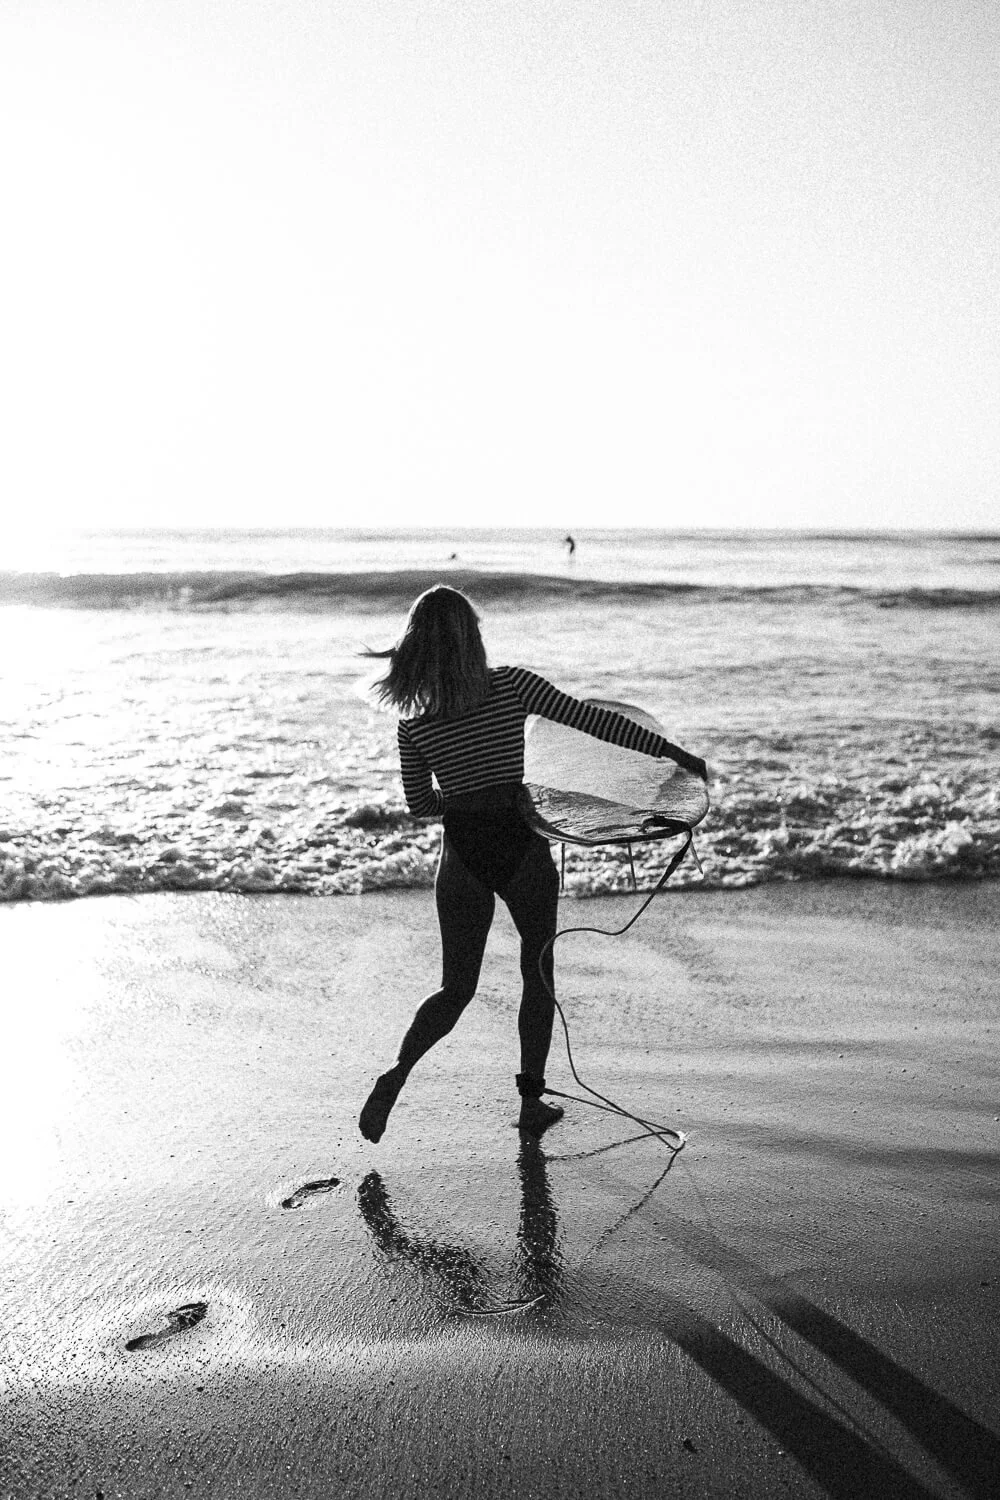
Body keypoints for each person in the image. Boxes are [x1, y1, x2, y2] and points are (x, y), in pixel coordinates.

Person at [358, 585, 707, 1143]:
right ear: (472, 637)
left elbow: (421, 806)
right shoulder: (513, 685)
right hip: (520, 849)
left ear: (417, 644)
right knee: (536, 975)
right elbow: (593, 722)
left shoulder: (414, 724)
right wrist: (675, 756)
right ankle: (529, 1104)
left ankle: (397, 1075)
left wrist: (467, 799)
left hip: (463, 857)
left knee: (455, 988)